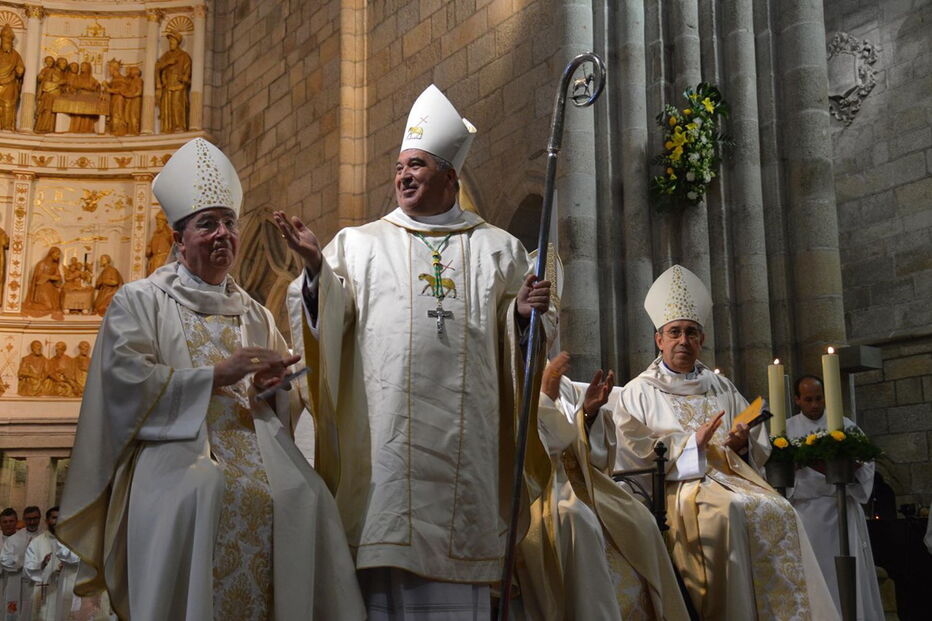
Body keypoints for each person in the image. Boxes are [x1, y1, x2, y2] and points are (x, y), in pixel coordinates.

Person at [57, 137, 364, 621]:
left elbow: (287, 388)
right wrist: (215, 376)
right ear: (179, 240)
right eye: (207, 224)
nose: (223, 234)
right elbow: (124, 382)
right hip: (173, 448)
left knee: (307, 498)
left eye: (229, 223)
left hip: (256, 441)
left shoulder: (255, 312)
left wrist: (273, 388)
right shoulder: (140, 301)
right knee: (204, 488)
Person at [275, 83, 552, 618]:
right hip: (387, 454)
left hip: (466, 456)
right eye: (400, 166)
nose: (402, 175)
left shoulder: (499, 249)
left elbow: (527, 332)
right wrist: (314, 272)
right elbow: (326, 320)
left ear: (450, 177)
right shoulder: (358, 245)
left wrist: (520, 316)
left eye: (417, 165)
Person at [613, 264, 839, 620]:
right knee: (731, 512)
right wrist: (691, 445)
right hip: (680, 489)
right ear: (659, 339)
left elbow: (753, 442)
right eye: (674, 333)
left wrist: (741, 443)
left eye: (691, 333)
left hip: (736, 479)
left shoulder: (720, 386)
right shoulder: (638, 392)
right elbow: (632, 455)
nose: (683, 341)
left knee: (781, 510)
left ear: (701, 339)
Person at [521, 351, 689, 620]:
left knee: (640, 519)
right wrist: (544, 399)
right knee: (577, 520)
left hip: (582, 481)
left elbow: (586, 452)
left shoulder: (561, 381)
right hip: (532, 487)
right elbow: (522, 449)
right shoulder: (506, 372)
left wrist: (588, 413)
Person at [786, 375, 884, 621]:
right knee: (815, 573)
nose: (815, 404)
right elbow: (775, 469)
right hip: (806, 514)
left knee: (849, 575)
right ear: (798, 400)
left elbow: (866, 462)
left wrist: (851, 469)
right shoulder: (786, 429)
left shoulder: (845, 425)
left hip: (841, 509)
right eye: (808, 399)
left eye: (819, 398)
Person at [24, 506, 80, 621]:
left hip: (67, 591)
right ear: (47, 521)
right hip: (46, 592)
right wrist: (42, 564)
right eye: (54, 517)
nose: (57, 521)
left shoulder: (75, 540)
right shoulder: (37, 542)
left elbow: (81, 562)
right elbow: (28, 568)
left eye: (60, 517)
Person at [1, 505, 41, 621]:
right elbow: (5, 560)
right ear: (24, 519)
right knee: (13, 612)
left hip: (37, 583)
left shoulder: (45, 537)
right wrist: (25, 556)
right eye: (28, 519)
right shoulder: (14, 539)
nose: (32, 522)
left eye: (35, 518)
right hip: (14, 582)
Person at [155, 31, 191, 132]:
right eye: (169, 41)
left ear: (177, 42)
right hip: (167, 84)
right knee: (166, 109)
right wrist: (167, 63)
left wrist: (185, 78)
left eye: (172, 41)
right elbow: (158, 67)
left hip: (179, 85)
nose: (170, 43)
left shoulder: (184, 56)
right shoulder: (166, 56)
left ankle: (179, 126)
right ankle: (167, 128)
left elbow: (187, 72)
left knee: (176, 105)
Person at [23, 246, 64, 316]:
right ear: (51, 253)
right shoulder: (42, 264)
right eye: (57, 254)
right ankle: (31, 305)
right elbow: (37, 277)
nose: (58, 256)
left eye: (59, 254)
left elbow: (58, 276)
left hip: (51, 287)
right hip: (41, 287)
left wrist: (55, 278)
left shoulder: (55, 265)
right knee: (49, 306)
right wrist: (50, 277)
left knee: (55, 306)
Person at [0, 25, 24, 131]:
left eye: (8, 40)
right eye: (4, 39)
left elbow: (20, 68)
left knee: (8, 105)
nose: (6, 42)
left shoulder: (15, 55)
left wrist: (20, 69)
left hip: (9, 83)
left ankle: (6, 127)